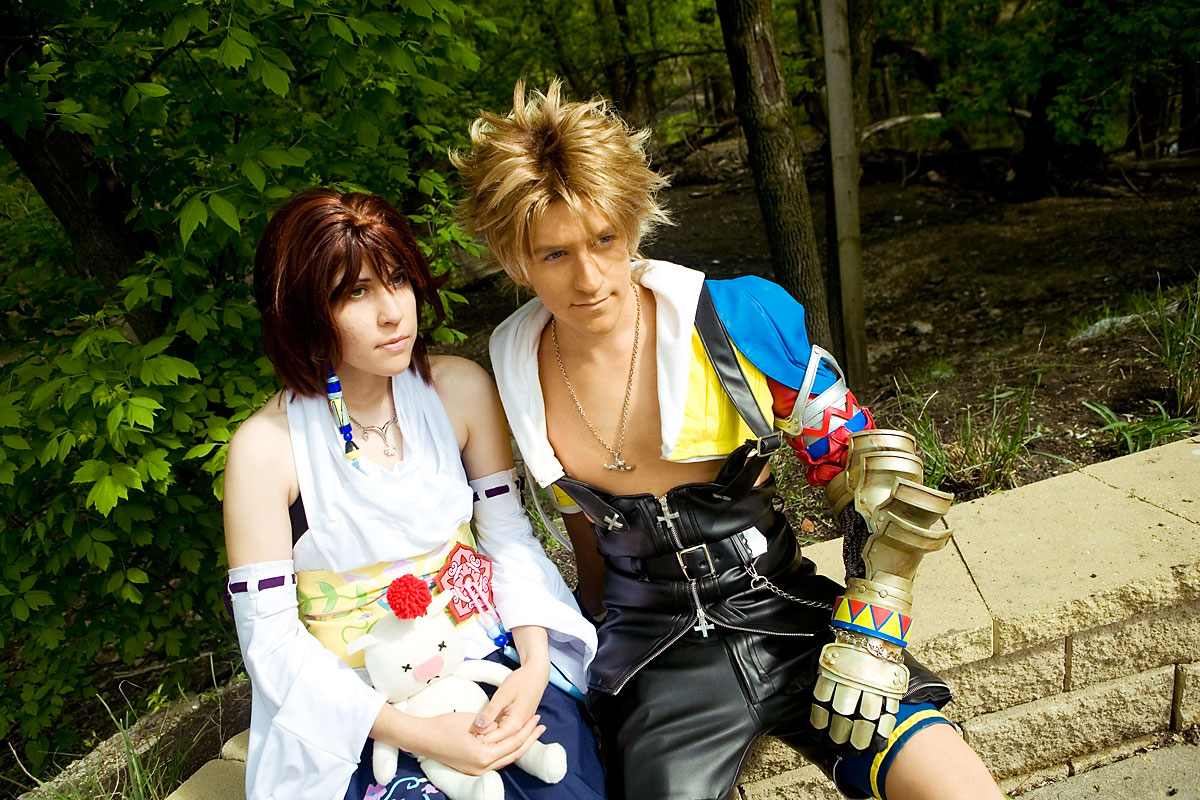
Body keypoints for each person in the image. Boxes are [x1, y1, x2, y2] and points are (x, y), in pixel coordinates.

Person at [453, 82, 1006, 800]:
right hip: (652, 657)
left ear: (634, 223)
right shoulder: (512, 369)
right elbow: (582, 538)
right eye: (555, 254)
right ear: (514, 258)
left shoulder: (735, 318)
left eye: (604, 239)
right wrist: (580, 666)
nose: (589, 278)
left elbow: (876, 478)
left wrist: (874, 638)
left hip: (789, 615)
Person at [222, 189, 606, 800]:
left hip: (487, 659)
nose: (392, 312)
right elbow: (270, 643)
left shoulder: (459, 390)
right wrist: (423, 734)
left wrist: (534, 665)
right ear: (300, 309)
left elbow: (508, 539)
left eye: (398, 280)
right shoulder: (266, 450)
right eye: (356, 293)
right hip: (360, 707)